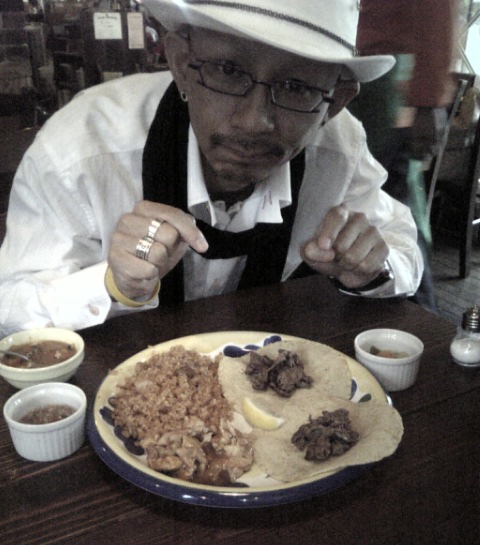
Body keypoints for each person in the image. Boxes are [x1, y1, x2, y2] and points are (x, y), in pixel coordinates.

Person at [0, 0, 423, 337]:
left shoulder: (340, 150)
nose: (253, 122)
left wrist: (370, 268)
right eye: (228, 70)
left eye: (297, 87)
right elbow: (10, 306)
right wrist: (111, 285)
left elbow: (402, 251)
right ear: (180, 64)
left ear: (337, 102)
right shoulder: (82, 150)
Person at [350, 0, 459, 312]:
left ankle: (423, 318)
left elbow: (438, 12)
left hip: (385, 85)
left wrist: (428, 103)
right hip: (356, 75)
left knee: (390, 209)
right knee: (359, 203)